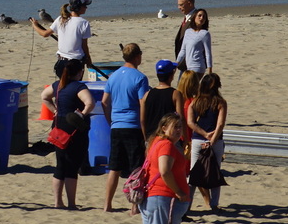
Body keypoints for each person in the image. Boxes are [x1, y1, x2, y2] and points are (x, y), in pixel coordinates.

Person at [134, 112, 190, 224]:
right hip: (163, 198)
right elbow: (165, 171)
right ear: (164, 128)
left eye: (180, 127)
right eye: (175, 127)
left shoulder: (156, 142)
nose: (179, 130)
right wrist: (179, 191)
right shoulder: (166, 145)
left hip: (153, 198)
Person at [102, 43, 150, 212]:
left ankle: (107, 204)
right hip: (133, 125)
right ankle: (134, 206)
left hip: (117, 125)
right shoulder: (140, 77)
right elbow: (142, 104)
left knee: (114, 167)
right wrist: (145, 129)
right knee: (136, 167)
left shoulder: (113, 76)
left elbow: (104, 102)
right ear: (137, 56)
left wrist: (111, 120)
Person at [41, 58, 95, 209]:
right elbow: (90, 103)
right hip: (74, 128)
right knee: (72, 167)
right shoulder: (79, 87)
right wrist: (82, 114)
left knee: (60, 165)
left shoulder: (58, 85)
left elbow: (44, 96)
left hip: (59, 126)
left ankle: (58, 202)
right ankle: (71, 203)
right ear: (79, 72)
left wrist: (55, 111)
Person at [186, 72, 228, 212]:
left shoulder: (195, 102)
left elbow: (190, 122)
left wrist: (204, 134)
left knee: (194, 173)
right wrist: (212, 140)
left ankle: (187, 205)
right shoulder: (220, 102)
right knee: (215, 173)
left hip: (198, 140)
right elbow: (220, 124)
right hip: (216, 141)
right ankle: (214, 204)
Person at [30, 0, 92, 77]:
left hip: (61, 62)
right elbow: (84, 46)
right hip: (76, 63)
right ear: (79, 7)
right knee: (73, 85)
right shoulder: (84, 23)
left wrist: (34, 25)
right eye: (84, 6)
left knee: (63, 84)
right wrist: (88, 59)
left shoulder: (60, 19)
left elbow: (44, 34)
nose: (86, 8)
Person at [142, 60, 184, 138]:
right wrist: (185, 138)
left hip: (151, 136)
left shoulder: (147, 94)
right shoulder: (175, 94)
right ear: (171, 75)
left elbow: (142, 120)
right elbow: (180, 118)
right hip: (169, 136)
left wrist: (145, 137)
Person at [175, 8, 212, 75]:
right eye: (199, 16)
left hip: (198, 66)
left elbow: (208, 53)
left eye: (204, 17)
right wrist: (176, 64)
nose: (201, 18)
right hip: (188, 66)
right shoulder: (188, 32)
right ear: (194, 17)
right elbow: (183, 50)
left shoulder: (205, 34)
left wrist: (210, 70)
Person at [174, 0, 197, 72]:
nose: (179, 7)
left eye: (181, 5)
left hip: (191, 63)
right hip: (184, 62)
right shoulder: (188, 17)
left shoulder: (196, 18)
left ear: (189, 4)